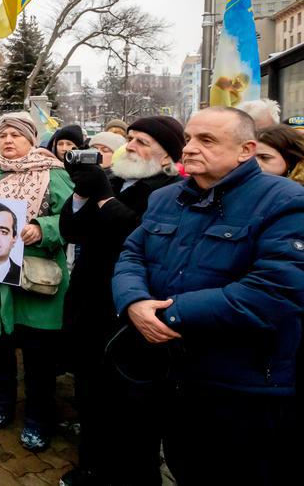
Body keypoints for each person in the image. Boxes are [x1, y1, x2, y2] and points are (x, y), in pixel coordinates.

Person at [112, 107, 304, 485]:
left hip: (243, 387)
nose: (190, 148)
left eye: (207, 140)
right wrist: (133, 302)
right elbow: (132, 254)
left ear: (246, 150)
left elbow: (277, 288)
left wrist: (170, 314)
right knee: (185, 466)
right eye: (189, 139)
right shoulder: (166, 198)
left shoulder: (285, 200)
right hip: (172, 377)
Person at [58, 116, 184, 486]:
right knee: (90, 399)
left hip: (127, 318)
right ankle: (91, 468)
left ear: (166, 157)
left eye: (143, 142)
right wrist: (81, 194)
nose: (130, 146)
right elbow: (70, 230)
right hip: (88, 307)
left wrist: (104, 198)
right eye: (130, 138)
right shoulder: (111, 180)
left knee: (128, 413)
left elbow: (137, 236)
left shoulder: (168, 192)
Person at [0, 112, 73, 451]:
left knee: (39, 358)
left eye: (16, 135)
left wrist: (43, 228)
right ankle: (0, 404)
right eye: (3, 134)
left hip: (35, 283)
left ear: (32, 139)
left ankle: (39, 418)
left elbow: (72, 219)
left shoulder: (54, 174)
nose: (8, 141)